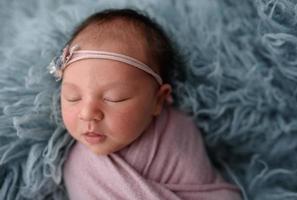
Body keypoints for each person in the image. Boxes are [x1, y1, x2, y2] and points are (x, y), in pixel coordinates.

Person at [48, 8, 242, 200]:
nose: (88, 113)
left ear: (158, 100)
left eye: (114, 98)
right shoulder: (80, 167)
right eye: (72, 97)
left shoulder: (179, 131)